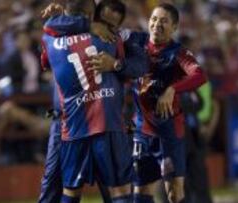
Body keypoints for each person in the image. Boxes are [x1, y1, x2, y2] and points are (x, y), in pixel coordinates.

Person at [87, 3, 207, 203]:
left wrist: (172, 89)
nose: (156, 24)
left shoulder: (178, 53)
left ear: (175, 27)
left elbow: (199, 75)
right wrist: (87, 22)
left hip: (168, 133)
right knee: (141, 191)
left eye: (164, 21)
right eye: (154, 19)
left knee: (174, 194)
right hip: (142, 131)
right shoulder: (135, 39)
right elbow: (105, 28)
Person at [41, 1, 149, 202]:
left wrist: (60, 19)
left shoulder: (49, 37)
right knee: (119, 190)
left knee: (69, 190)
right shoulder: (112, 39)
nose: (109, 27)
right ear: (93, 13)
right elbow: (142, 63)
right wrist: (117, 63)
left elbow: (47, 39)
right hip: (105, 123)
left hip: (72, 128)